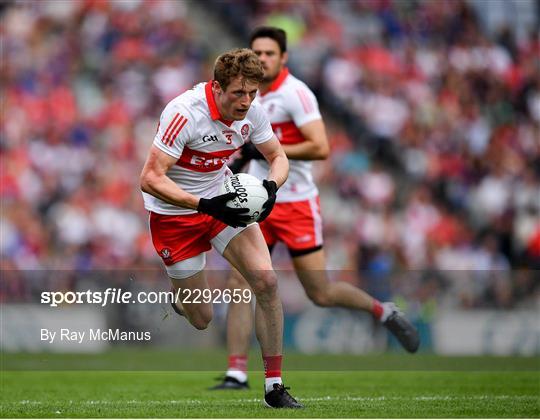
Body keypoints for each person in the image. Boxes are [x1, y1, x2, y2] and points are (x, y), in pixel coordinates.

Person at [211, 28, 420, 391]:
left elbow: (320, 146)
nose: (261, 59)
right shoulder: (249, 97)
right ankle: (237, 373)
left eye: (269, 53)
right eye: (256, 52)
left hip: (297, 203)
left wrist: (270, 150)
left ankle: (383, 311)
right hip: (260, 201)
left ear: (284, 58)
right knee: (242, 280)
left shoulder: (297, 94)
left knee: (320, 292)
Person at [140, 48, 302, 408]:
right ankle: (181, 299)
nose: (245, 102)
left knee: (267, 281)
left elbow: (278, 156)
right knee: (201, 318)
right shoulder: (184, 113)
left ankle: (274, 387)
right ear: (216, 88)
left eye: (252, 93)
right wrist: (201, 205)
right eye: (237, 94)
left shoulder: (253, 113)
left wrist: (271, 188)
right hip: (173, 216)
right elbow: (150, 178)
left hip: (222, 200)